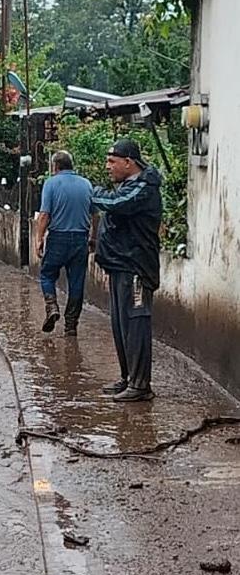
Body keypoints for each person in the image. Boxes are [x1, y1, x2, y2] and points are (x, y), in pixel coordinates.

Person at [90, 138, 163, 402]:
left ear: (128, 162)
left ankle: (140, 385)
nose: (108, 166)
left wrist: (93, 192)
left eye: (112, 161)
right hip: (120, 265)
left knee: (136, 324)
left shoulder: (143, 188)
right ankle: (128, 378)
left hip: (136, 269)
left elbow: (116, 204)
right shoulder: (128, 186)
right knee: (121, 326)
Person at [34, 150, 93, 336]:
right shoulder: (86, 184)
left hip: (58, 237)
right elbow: (96, 214)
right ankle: (71, 326)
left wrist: (39, 238)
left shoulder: (51, 183)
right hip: (81, 238)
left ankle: (51, 306)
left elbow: (44, 215)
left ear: (55, 166)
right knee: (76, 282)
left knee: (47, 274)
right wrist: (94, 238)